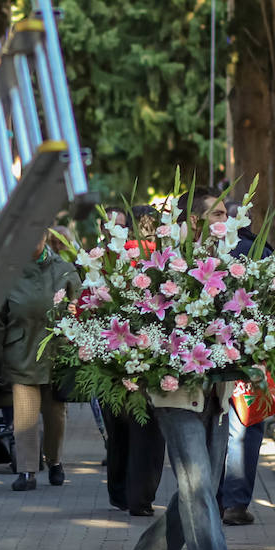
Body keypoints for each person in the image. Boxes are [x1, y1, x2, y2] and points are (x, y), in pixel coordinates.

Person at [128, 192, 239, 550]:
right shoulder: (168, 264)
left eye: (228, 215)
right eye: (217, 214)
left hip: (217, 394)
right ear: (193, 221)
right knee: (195, 485)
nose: (225, 221)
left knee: (204, 489)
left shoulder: (235, 264)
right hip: (176, 393)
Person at [0, 230, 81, 491]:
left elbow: (80, 307)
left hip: (56, 349)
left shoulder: (63, 269)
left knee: (55, 414)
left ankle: (54, 461)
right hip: (20, 348)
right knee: (24, 414)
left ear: (45, 237)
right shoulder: (7, 271)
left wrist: (74, 339)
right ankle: (27, 471)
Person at [102, 206, 166, 515]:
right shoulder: (164, 258)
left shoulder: (114, 257)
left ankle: (119, 492)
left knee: (120, 427)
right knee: (148, 430)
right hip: (150, 350)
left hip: (115, 349)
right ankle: (141, 496)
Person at [217, 198, 269, 525]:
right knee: (245, 427)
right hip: (250, 354)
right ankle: (235, 503)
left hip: (209, 353)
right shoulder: (261, 253)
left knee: (218, 427)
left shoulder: (207, 252)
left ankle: (212, 499)